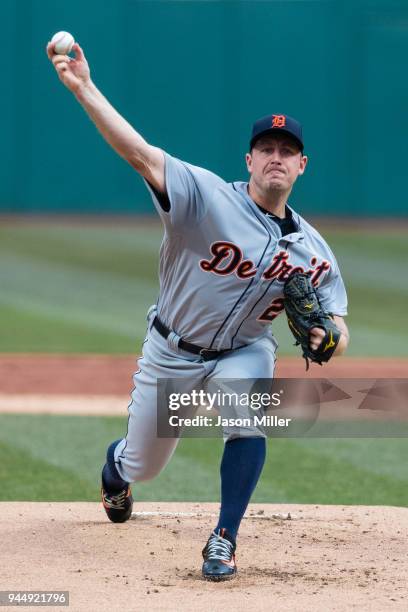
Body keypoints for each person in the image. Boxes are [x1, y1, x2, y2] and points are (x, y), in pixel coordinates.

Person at [47, 40, 350, 582]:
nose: (275, 156)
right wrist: (84, 88)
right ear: (249, 159)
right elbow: (138, 151)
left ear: (302, 165)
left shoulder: (315, 251)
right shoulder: (205, 197)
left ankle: (224, 539)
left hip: (244, 350)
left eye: (287, 150)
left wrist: (328, 338)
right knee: (144, 464)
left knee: (246, 415)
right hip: (171, 351)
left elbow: (337, 326)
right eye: (266, 147)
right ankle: (116, 470)